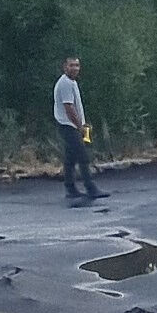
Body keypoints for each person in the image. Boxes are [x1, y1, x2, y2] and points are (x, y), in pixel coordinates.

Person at [51, 57, 107, 205]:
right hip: (68, 126)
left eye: (77, 65)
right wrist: (80, 126)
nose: (75, 68)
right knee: (83, 156)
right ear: (65, 67)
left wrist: (83, 123)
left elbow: (76, 106)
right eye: (71, 65)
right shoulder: (65, 84)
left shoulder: (72, 82)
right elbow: (69, 108)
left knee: (70, 158)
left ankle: (70, 187)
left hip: (72, 125)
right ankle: (90, 188)